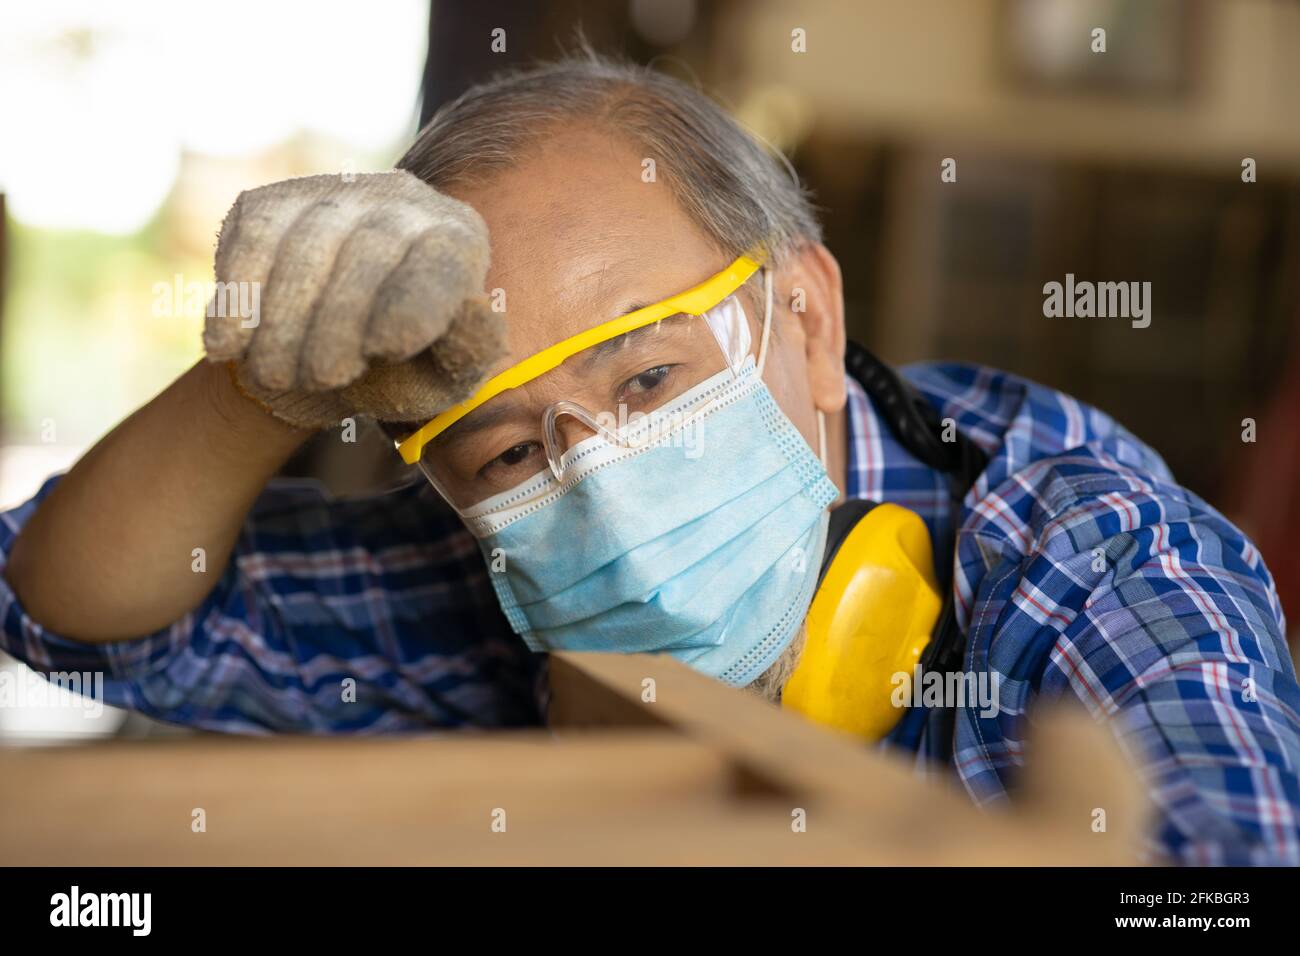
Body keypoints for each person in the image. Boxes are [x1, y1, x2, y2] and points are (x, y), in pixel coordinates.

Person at [2, 51, 1296, 865]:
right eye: (511, 445)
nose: (600, 487)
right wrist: (263, 386)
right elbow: (69, 613)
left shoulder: (1089, 549)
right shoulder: (489, 559)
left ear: (806, 317)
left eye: (651, 379)